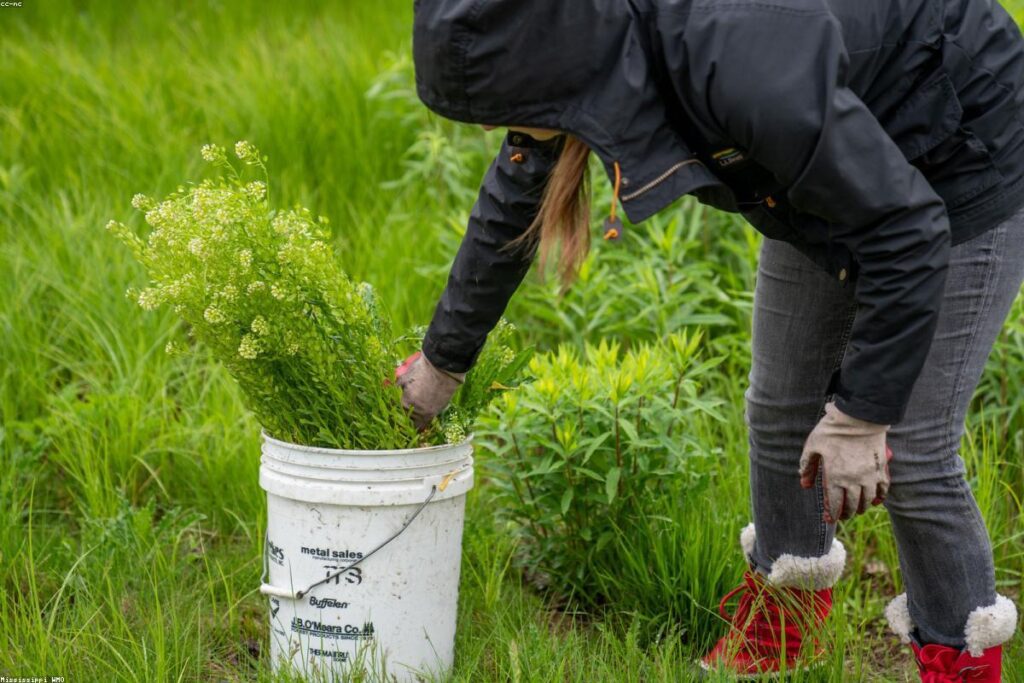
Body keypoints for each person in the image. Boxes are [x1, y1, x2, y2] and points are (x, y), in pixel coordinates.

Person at [395, 0, 1024, 679]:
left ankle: (960, 661)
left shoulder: (736, 58)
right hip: (827, 158)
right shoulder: (593, 40)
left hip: (959, 151)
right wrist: (441, 363)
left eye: (493, 103)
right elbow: (515, 200)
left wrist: (859, 416)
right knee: (781, 405)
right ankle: (784, 629)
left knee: (912, 447)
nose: (489, 124)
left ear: (548, 63)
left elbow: (907, 227)